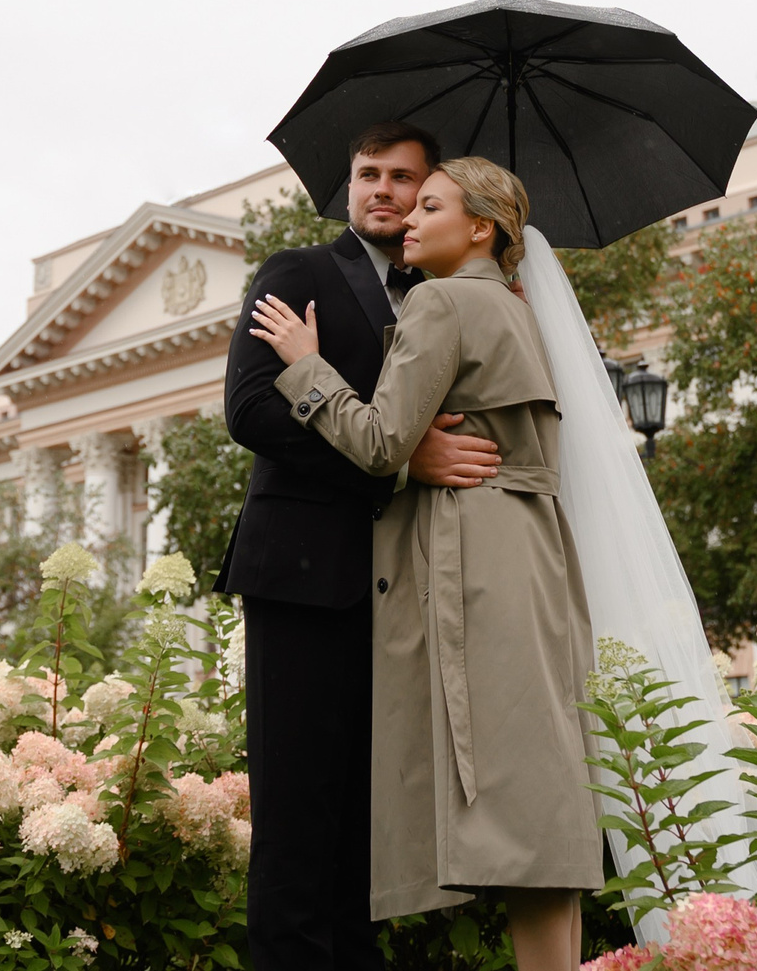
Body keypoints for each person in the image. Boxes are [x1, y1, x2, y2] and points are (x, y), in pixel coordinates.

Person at [248, 156, 601, 971]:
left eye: (429, 202)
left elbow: (379, 442)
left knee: (510, 804)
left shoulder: (440, 301)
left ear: (481, 227)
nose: (406, 214)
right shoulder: (522, 311)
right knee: (542, 797)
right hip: (539, 555)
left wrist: (306, 361)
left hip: (476, 556)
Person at [219, 120, 506, 971]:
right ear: (349, 187)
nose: (382, 190)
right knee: (297, 819)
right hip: (304, 579)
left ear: (428, 196)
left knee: (365, 826)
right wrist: (394, 462)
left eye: (403, 179)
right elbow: (250, 409)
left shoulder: (443, 291)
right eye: (367, 174)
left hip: (401, 592)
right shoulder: (298, 272)